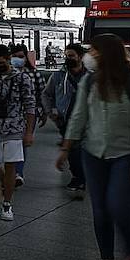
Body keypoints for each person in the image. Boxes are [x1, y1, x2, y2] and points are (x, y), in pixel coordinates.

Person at [60, 35, 130, 260]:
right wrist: (66, 147)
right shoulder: (89, 81)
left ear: (107, 53)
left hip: (126, 155)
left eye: (94, 50)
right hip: (93, 154)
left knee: (118, 206)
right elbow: (79, 115)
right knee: (100, 210)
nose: (90, 55)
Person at [0, 44, 35, 222]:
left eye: (0, 63)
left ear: (8, 60)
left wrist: (29, 132)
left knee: (10, 165)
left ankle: (7, 203)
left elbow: (30, 105)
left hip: (14, 127)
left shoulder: (22, 78)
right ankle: (7, 185)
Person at [42, 43, 89, 199]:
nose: (68, 59)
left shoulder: (90, 77)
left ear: (80, 57)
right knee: (72, 149)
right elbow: (46, 94)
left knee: (80, 148)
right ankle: (79, 176)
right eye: (67, 56)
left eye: (71, 56)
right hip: (65, 119)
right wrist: (51, 111)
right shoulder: (58, 76)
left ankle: (80, 177)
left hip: (87, 120)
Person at [9, 44, 43, 187]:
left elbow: (41, 93)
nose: (17, 59)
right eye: (15, 56)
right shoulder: (5, 74)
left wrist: (43, 112)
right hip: (9, 115)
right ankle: (11, 172)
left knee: (22, 143)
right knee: (11, 144)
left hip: (29, 114)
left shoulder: (34, 74)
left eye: (21, 56)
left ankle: (18, 173)